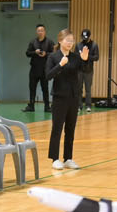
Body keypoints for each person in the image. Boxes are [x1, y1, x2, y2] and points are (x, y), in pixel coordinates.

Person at [46, 30, 88, 169]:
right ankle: (55, 158)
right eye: (67, 40)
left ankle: (68, 158)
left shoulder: (75, 57)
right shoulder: (53, 57)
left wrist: (84, 60)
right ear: (60, 41)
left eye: (72, 40)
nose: (70, 43)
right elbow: (48, 75)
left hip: (73, 97)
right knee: (57, 128)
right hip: (59, 97)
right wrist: (60, 65)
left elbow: (83, 70)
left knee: (70, 129)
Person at [25, 23, 54, 113]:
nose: (40, 32)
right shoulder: (33, 42)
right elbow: (27, 53)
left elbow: (54, 54)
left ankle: (47, 107)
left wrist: (46, 54)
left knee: (45, 89)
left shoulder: (50, 42)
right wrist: (35, 52)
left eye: (42, 30)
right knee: (32, 88)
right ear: (36, 32)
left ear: (45, 31)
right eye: (38, 31)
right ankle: (31, 106)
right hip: (34, 69)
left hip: (44, 69)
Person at [77, 28, 98, 112]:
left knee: (88, 89)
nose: (84, 39)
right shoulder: (78, 45)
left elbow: (96, 57)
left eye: (86, 37)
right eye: (83, 37)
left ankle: (88, 105)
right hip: (79, 70)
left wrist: (87, 56)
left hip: (89, 70)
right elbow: (75, 56)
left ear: (89, 36)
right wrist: (81, 56)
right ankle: (79, 106)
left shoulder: (94, 45)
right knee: (79, 89)